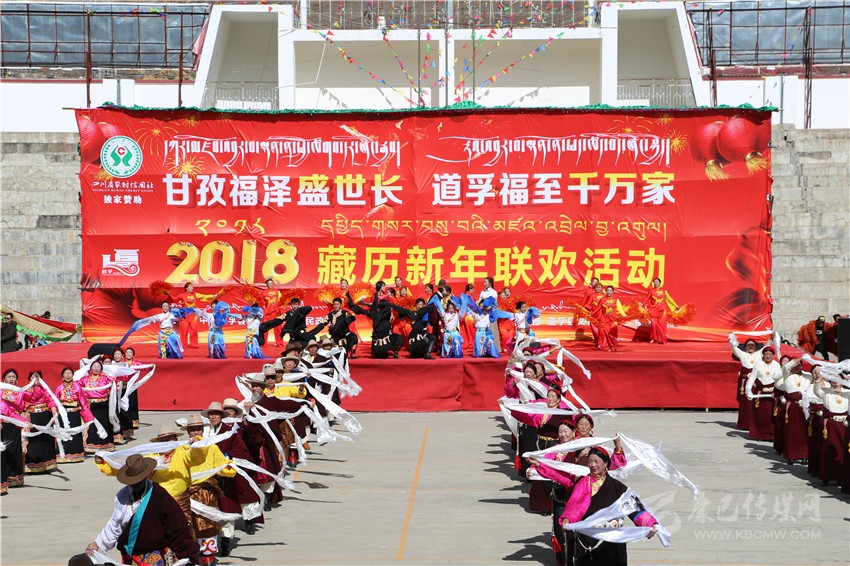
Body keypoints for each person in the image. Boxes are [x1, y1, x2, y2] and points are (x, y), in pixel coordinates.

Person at [86, 454, 201, 565]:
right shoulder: (123, 496)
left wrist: (189, 557)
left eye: (138, 481)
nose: (135, 485)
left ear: (146, 476)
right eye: (132, 482)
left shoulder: (160, 496)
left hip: (155, 558)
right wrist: (98, 543)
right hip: (130, 558)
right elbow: (115, 524)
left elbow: (178, 528)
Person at [559, 447, 659, 566]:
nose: (593, 465)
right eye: (590, 461)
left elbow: (634, 507)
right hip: (588, 538)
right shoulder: (582, 484)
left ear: (606, 463)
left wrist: (649, 523)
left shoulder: (617, 487)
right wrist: (567, 519)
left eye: (596, 461)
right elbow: (575, 506)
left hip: (613, 540)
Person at [813, 368, 849, 486]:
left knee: (842, 450)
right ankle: (827, 476)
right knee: (829, 449)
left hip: (844, 425)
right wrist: (818, 380)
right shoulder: (826, 391)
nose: (834, 381)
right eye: (832, 378)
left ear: (842, 380)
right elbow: (817, 391)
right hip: (831, 425)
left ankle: (841, 476)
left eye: (837, 378)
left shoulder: (847, 392)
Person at [54, 366, 94, 464]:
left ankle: (76, 454)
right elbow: (55, 402)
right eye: (66, 373)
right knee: (64, 433)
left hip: (75, 413)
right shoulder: (59, 388)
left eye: (70, 373)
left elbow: (83, 401)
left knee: (75, 433)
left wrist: (87, 415)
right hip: (63, 415)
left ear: (72, 375)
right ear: (62, 376)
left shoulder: (77, 387)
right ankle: (64, 453)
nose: (68, 375)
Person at [22, 370, 58, 474]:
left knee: (46, 441)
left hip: (45, 416)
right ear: (29, 379)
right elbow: (22, 402)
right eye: (33, 377)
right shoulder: (25, 390)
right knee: (33, 441)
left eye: (37, 377)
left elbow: (50, 399)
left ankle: (47, 465)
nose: (35, 379)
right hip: (32, 417)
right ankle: (32, 465)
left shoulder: (45, 389)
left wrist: (54, 408)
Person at [744, 346, 781, 442]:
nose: (768, 356)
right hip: (760, 394)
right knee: (760, 415)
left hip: (772, 393)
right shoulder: (758, 365)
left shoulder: (777, 365)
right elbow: (751, 379)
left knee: (771, 415)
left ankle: (771, 435)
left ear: (773, 356)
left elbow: (779, 379)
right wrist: (748, 390)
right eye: (766, 354)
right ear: (763, 355)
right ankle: (759, 434)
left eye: (770, 354)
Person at [1, 368, 27, 492]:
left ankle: (15, 476)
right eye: (9, 377)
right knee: (4, 450)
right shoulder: (0, 391)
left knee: (15, 448)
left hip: (15, 423)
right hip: (3, 423)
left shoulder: (19, 392)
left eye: (13, 377)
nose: (11, 379)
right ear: (4, 379)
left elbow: (26, 403)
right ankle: (4, 476)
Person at [729, 335, 763, 431]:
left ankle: (755, 424)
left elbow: (768, 347)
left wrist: (772, 338)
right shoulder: (742, 354)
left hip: (755, 381)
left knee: (755, 401)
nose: (750, 347)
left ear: (755, 347)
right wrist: (731, 339)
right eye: (748, 345)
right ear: (746, 347)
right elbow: (734, 348)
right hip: (744, 381)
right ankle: (744, 424)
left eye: (752, 345)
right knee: (745, 402)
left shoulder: (759, 354)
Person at [643, 278, 679, 344]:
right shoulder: (651, 291)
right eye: (654, 282)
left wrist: (675, 306)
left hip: (662, 309)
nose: (655, 283)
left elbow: (669, 298)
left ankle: (662, 339)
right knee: (653, 325)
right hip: (653, 310)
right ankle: (653, 338)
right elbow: (647, 298)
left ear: (660, 283)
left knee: (662, 325)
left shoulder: (664, 291)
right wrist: (644, 305)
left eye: (657, 281)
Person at [593, 286, 626, 352]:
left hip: (613, 319)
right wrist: (591, 315)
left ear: (613, 292)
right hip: (604, 319)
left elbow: (619, 308)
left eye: (610, 290)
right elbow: (598, 308)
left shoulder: (616, 299)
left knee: (613, 334)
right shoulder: (602, 299)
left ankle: (615, 346)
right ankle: (610, 346)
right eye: (607, 290)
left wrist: (624, 314)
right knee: (606, 333)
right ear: (605, 291)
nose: (609, 292)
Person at [174, 282, 202, 349]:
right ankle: (184, 344)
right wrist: (168, 294)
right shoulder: (182, 295)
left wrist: (214, 296)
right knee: (184, 331)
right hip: (184, 315)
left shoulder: (195, 294)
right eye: (190, 286)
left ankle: (194, 344)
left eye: (192, 286)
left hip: (193, 315)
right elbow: (174, 299)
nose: (192, 288)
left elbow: (204, 297)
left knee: (194, 330)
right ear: (186, 288)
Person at [262, 277, 285, 348]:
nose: (270, 284)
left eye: (271, 283)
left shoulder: (277, 291)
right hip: (268, 312)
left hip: (276, 312)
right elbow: (262, 302)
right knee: (264, 328)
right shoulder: (264, 292)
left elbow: (281, 300)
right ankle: (263, 343)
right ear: (266, 284)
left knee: (278, 328)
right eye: (269, 283)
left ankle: (280, 343)